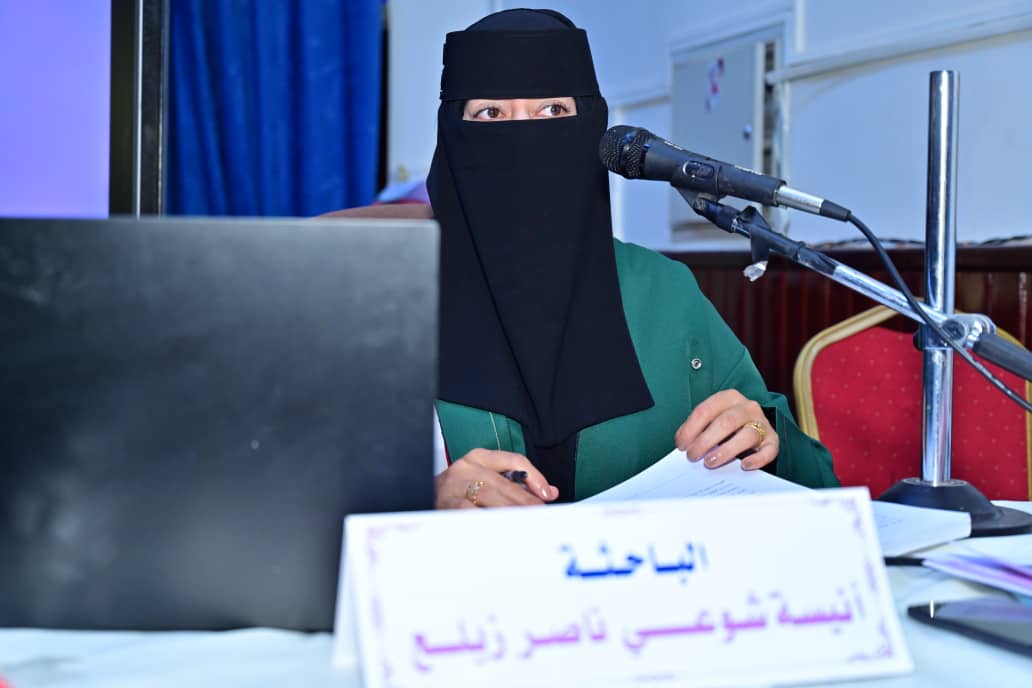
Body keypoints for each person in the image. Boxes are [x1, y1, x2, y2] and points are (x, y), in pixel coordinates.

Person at [421, 8, 839, 508]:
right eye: (490, 114)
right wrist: (424, 499)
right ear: (452, 137)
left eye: (552, 110)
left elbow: (819, 488)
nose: (525, 136)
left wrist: (763, 441)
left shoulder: (663, 291)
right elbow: (334, 494)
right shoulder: (390, 306)